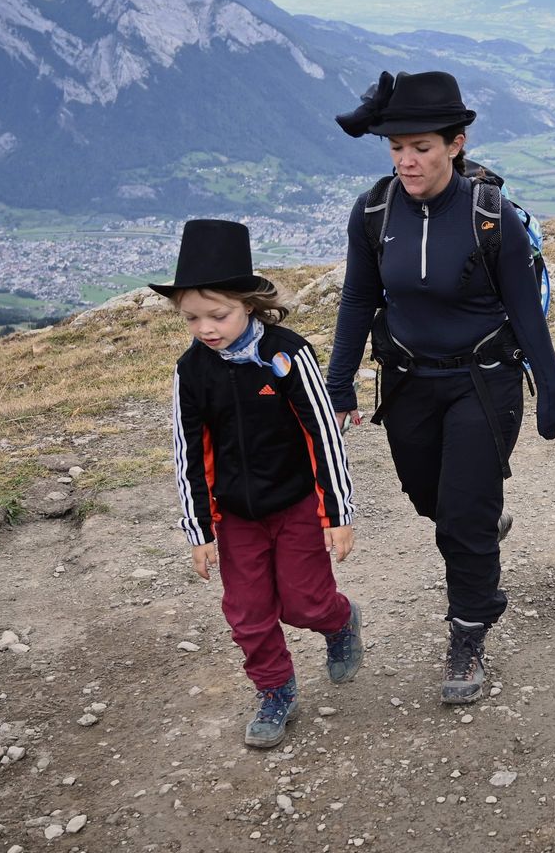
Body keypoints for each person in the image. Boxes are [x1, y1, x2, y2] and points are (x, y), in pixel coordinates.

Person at [324, 70, 555, 706]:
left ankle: (468, 631)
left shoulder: (490, 218)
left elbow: (523, 308)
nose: (407, 161)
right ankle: (479, 524)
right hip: (407, 384)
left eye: (422, 147)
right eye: (396, 147)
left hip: (482, 384)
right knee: (430, 499)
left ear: (455, 144)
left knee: (460, 521)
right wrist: (340, 380)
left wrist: (552, 383)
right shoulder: (374, 212)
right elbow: (357, 299)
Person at [156, 219, 361, 749]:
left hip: (294, 506)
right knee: (247, 613)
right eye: (192, 318)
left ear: (249, 303)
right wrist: (199, 529)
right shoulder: (191, 371)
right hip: (237, 516)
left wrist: (336, 514)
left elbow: (322, 433)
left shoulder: (287, 355)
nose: (206, 328)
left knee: (305, 604)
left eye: (218, 314)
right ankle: (275, 689)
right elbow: (190, 452)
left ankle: (339, 621)